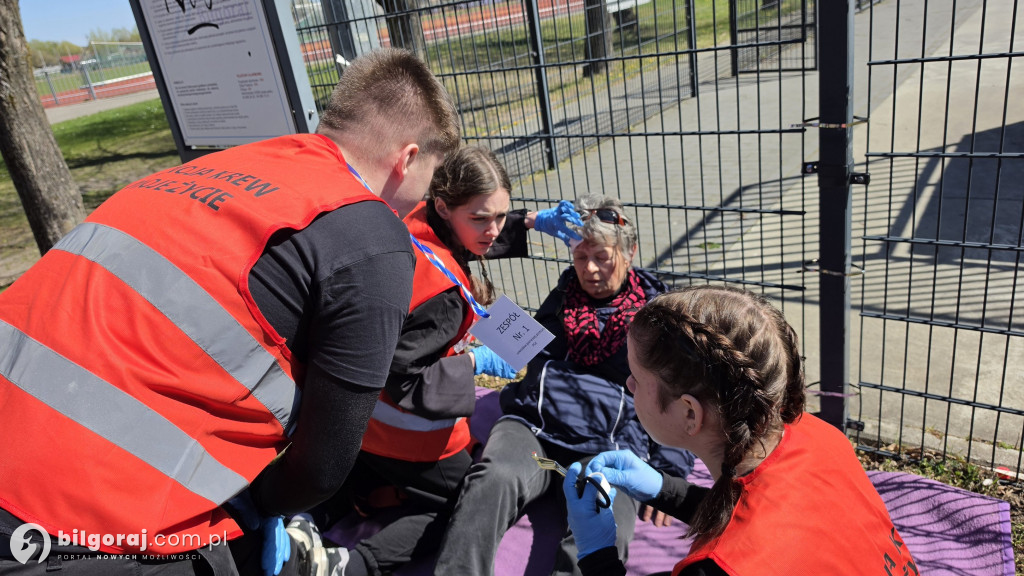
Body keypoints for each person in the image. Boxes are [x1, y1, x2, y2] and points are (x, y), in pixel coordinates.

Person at [0, 48, 459, 576]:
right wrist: (258, 506)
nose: (419, 205)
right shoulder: (371, 233)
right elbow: (324, 465)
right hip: (84, 522)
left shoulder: (219, 167)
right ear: (407, 158)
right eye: (429, 181)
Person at [304, 145, 585, 576]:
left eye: (501, 215)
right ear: (443, 205)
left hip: (352, 415)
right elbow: (407, 382)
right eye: (481, 218)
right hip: (396, 428)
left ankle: (328, 507)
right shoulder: (444, 299)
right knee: (471, 504)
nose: (493, 230)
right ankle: (352, 565)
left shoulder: (416, 220)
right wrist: (475, 364)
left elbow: (468, 234)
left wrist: (531, 220)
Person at [564, 286, 918, 576]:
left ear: (690, 413)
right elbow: (766, 523)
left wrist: (597, 556)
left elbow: (747, 541)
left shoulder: (718, 568)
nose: (628, 384)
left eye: (637, 378)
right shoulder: (815, 434)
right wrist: (664, 489)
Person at [431, 195, 696, 576]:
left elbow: (677, 392)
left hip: (608, 446)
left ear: (630, 251)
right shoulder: (563, 296)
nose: (589, 269)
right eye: (579, 257)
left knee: (604, 523)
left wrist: (670, 471)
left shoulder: (659, 318)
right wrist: (481, 340)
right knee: (490, 482)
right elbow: (516, 343)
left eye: (601, 257)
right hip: (533, 429)